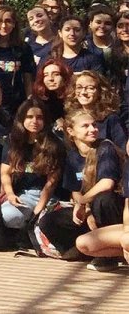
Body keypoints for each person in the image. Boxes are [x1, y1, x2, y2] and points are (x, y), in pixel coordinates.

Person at [37, 106, 124, 269]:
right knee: (48, 221)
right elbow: (75, 190)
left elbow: (107, 184)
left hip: (111, 209)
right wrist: (85, 210)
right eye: (85, 126)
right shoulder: (72, 155)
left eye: (94, 125)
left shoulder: (105, 148)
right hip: (89, 209)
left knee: (103, 200)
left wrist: (84, 203)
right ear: (70, 131)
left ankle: (110, 255)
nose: (93, 129)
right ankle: (86, 251)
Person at [0, 99, 63, 230]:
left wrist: (38, 209)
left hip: (48, 197)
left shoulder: (55, 144)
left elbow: (51, 183)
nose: (34, 121)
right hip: (22, 195)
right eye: (29, 117)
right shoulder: (13, 141)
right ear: (22, 118)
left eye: (39, 117)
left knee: (47, 223)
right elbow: (5, 173)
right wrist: (10, 194)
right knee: (8, 215)